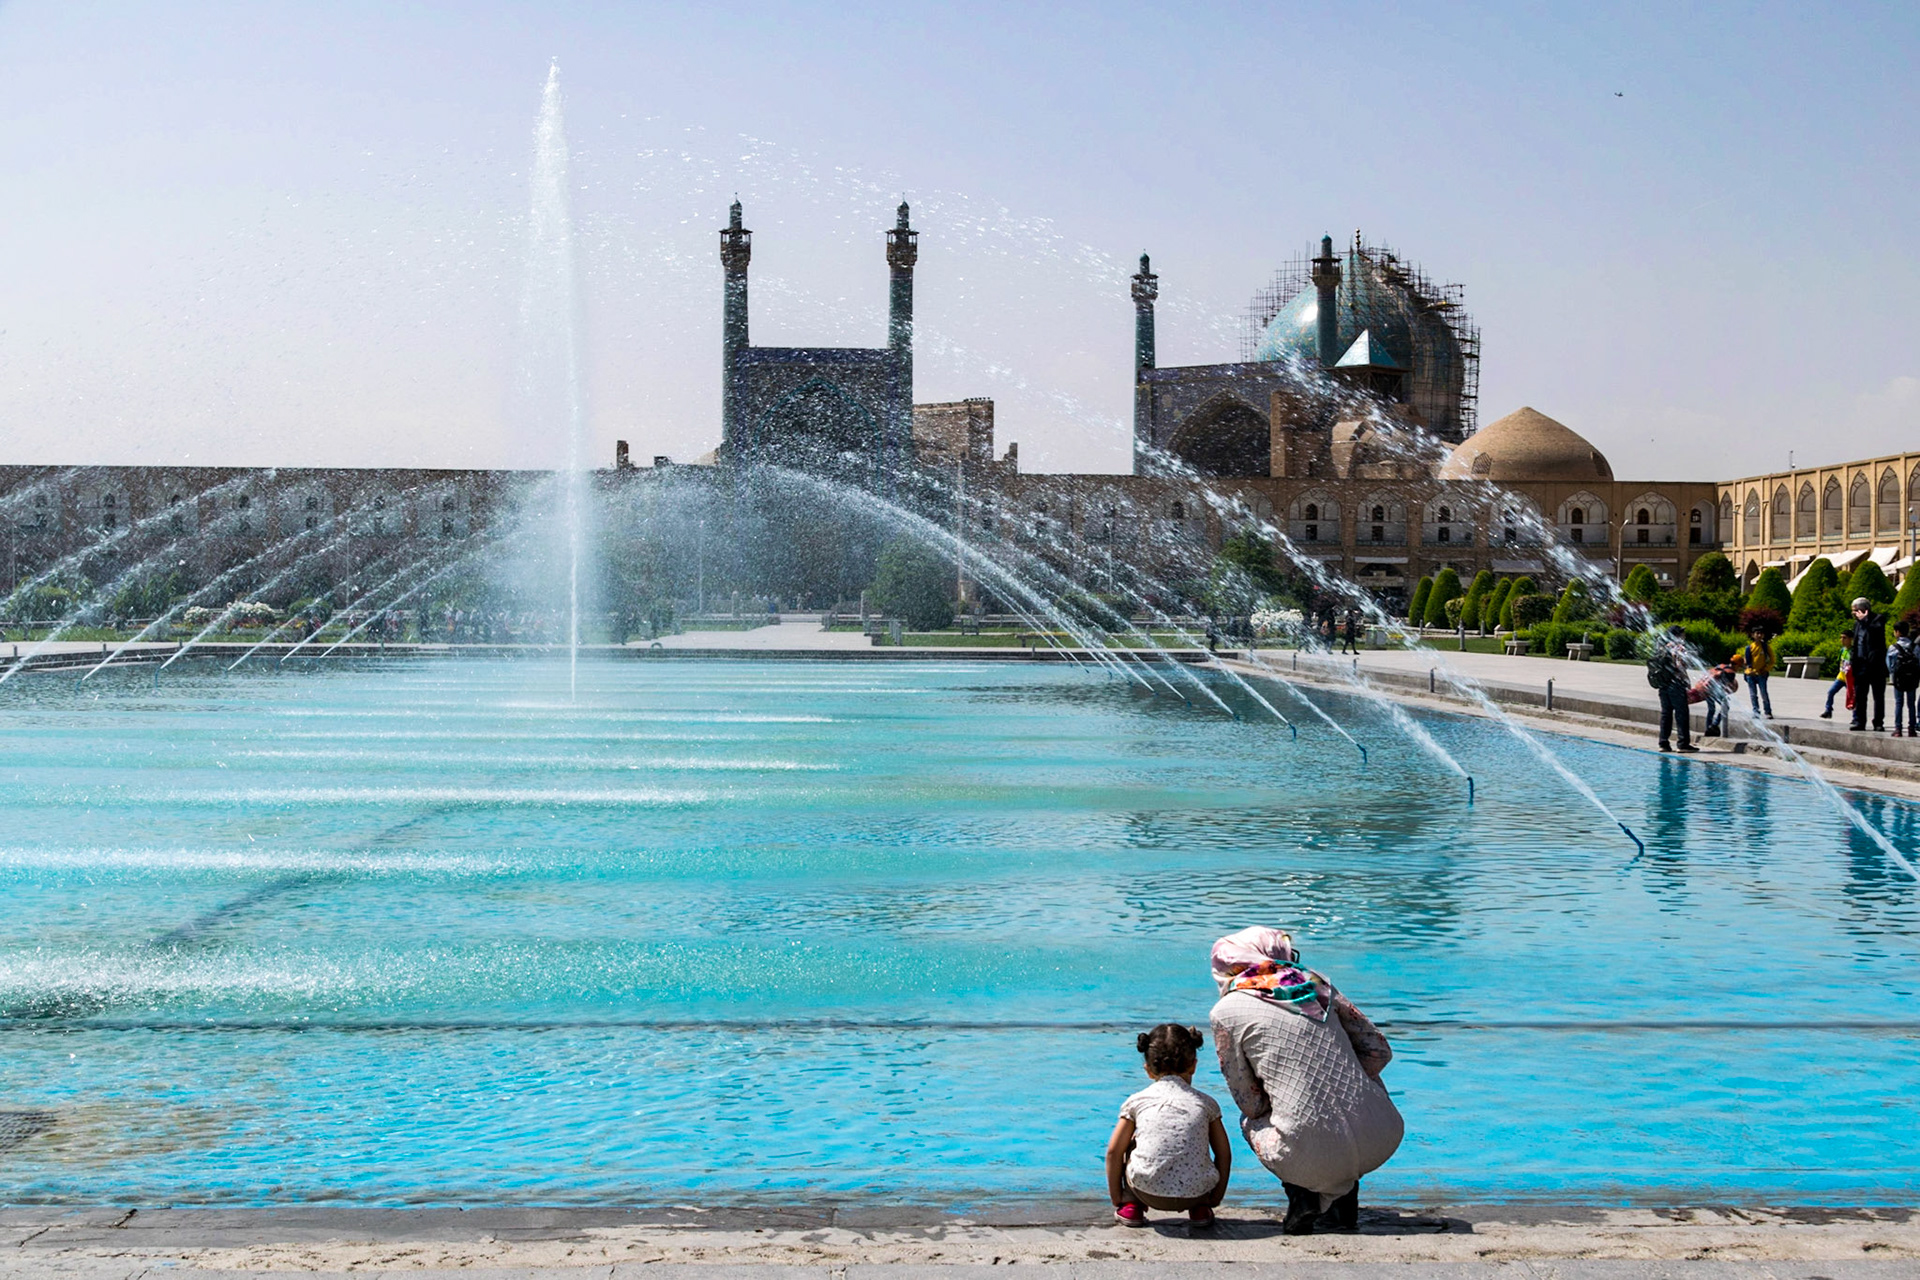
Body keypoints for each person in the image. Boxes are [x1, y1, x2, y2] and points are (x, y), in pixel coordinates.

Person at [1209, 927, 1402, 1236]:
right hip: (1384, 1134)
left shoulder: (1226, 1012)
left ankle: (1304, 1194)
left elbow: (1250, 1101)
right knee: (1354, 1090)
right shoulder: (1317, 985)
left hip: (1304, 1152)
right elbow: (1378, 1051)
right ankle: (1341, 1200)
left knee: (1251, 1119)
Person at [1106, 1024, 1232, 1229]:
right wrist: (1214, 1198)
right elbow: (1224, 1154)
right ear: (1194, 1065)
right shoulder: (1207, 1103)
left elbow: (1113, 1152)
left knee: (1129, 1145)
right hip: (1196, 1193)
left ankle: (1131, 1206)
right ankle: (1200, 1210)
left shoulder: (1137, 1101)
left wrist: (1116, 1196)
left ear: (1147, 1070)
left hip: (1146, 1190)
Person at [1646, 623, 1698, 752]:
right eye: (1682, 633)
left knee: (1666, 714)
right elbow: (1681, 665)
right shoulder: (1679, 647)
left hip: (1663, 685)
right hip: (1676, 685)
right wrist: (1686, 681)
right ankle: (1683, 743)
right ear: (1677, 635)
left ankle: (1663, 743)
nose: (1684, 635)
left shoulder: (1662, 648)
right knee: (1681, 714)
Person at [1849, 597, 1889, 732]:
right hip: (1861, 666)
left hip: (1876, 666)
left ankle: (1878, 722)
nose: (1853, 614)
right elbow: (1856, 644)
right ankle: (1860, 721)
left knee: (1878, 697)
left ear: (1862, 610)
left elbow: (1876, 633)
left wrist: (1865, 621)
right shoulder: (1857, 624)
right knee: (1860, 696)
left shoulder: (1878, 619)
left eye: (1855, 611)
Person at [1692, 662, 1738, 737]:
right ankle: (1709, 728)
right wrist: (1703, 693)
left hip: (1714, 689)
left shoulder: (1728, 672)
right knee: (1712, 709)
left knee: (1725, 707)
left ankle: (1714, 725)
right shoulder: (1715, 675)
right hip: (1706, 689)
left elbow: (1728, 685)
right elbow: (1704, 685)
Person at [1891, 620, 1920, 737]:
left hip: (1899, 679)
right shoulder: (1915, 647)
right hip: (1912, 679)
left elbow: (1890, 665)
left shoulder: (1893, 647)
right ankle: (1911, 728)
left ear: (1897, 632)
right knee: (1911, 703)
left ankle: (1898, 729)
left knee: (1899, 703)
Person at [1739, 629, 1775, 719]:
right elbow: (1746, 662)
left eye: (1761, 633)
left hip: (1761, 674)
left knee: (1764, 693)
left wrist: (1766, 669)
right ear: (1753, 635)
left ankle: (1768, 711)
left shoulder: (1765, 647)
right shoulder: (1749, 647)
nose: (1759, 635)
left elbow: (1773, 660)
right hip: (1750, 675)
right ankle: (1756, 711)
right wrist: (1747, 669)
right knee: (1753, 694)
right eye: (1757, 633)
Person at [1819, 643, 1852, 719]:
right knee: (1831, 692)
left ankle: (1855, 717)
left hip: (1850, 678)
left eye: (1844, 638)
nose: (1842, 640)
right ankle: (1828, 710)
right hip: (1841, 676)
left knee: (1852, 697)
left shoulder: (1854, 651)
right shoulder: (1842, 650)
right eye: (1841, 638)